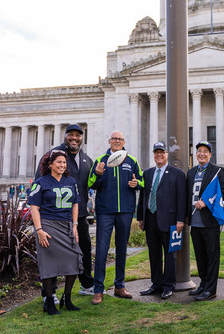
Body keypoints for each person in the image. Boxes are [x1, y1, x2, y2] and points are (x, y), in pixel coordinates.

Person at [35, 124, 94, 298]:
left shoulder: (86, 159)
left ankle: (87, 284)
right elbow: (39, 183)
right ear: (65, 136)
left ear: (82, 138)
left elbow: (91, 184)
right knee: (51, 254)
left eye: (78, 135)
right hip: (53, 217)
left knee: (83, 250)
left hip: (79, 215)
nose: (74, 138)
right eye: (71, 135)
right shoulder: (52, 156)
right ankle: (49, 292)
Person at [88, 130, 143, 305]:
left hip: (126, 211)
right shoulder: (100, 161)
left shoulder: (132, 161)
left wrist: (137, 184)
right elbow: (90, 184)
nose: (117, 141)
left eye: (120, 139)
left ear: (124, 141)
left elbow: (141, 182)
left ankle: (120, 286)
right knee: (102, 250)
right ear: (109, 140)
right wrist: (97, 174)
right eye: (114, 139)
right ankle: (98, 289)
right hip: (105, 211)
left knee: (121, 249)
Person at [28, 150, 82, 315]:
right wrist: (39, 230)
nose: (62, 165)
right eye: (59, 162)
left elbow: (75, 204)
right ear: (50, 164)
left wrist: (74, 225)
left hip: (66, 226)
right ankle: (50, 301)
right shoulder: (41, 182)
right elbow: (34, 208)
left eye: (64, 162)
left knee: (75, 259)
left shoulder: (70, 181)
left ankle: (67, 298)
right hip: (48, 226)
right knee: (49, 265)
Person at [137, 142, 186, 299]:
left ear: (167, 154)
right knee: (154, 254)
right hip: (150, 218)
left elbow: (181, 199)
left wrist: (180, 219)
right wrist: (140, 217)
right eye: (156, 152)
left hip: (170, 220)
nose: (159, 155)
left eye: (162, 152)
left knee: (170, 254)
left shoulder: (177, 173)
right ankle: (156, 284)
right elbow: (143, 197)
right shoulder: (148, 173)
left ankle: (168, 285)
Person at [186, 141, 224, 301]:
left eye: (205, 151)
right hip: (195, 222)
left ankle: (211, 289)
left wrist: (207, 202)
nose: (201, 153)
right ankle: (203, 284)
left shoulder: (217, 171)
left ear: (210, 154)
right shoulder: (190, 173)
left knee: (211, 256)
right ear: (196, 154)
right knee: (200, 256)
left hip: (209, 222)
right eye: (199, 151)